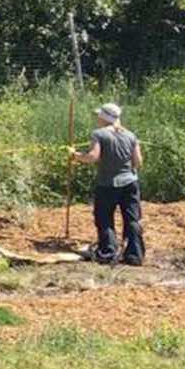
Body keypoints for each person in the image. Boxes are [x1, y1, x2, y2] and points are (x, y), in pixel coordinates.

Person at [71, 102, 145, 266]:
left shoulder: (99, 134)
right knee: (132, 219)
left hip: (107, 184)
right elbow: (138, 161)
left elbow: (92, 157)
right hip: (130, 183)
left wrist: (75, 155)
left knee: (104, 219)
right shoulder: (131, 135)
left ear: (104, 117)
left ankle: (108, 252)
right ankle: (135, 255)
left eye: (99, 116)